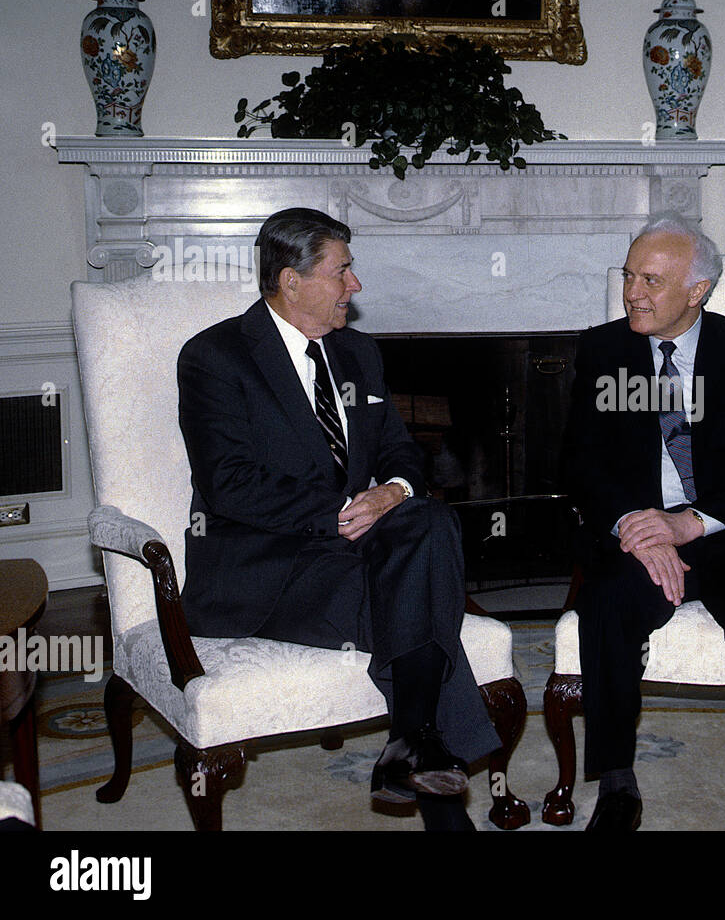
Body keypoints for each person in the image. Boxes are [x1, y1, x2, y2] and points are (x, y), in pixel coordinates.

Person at [177, 207, 498, 830]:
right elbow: (228, 486)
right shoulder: (216, 357)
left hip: (360, 546)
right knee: (420, 592)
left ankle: (409, 743)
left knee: (431, 522)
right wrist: (341, 514)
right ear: (291, 281)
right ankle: (439, 799)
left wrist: (394, 491)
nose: (357, 286)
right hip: (268, 568)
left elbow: (401, 450)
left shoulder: (356, 354)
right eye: (343, 271)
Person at [562, 213, 725, 831]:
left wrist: (687, 524)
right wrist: (634, 522)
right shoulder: (603, 350)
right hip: (641, 537)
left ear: (697, 290)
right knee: (605, 607)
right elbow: (578, 464)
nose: (633, 292)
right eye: (630, 276)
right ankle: (618, 785)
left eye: (652, 281)